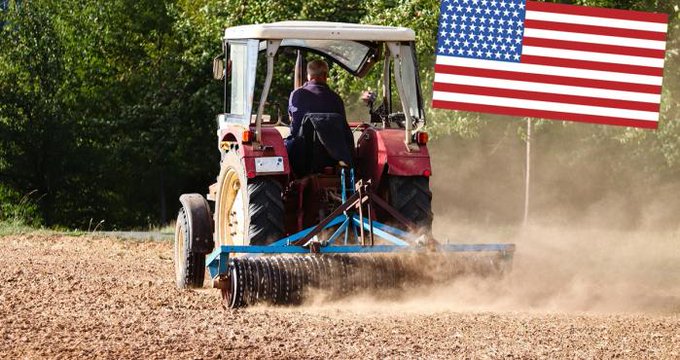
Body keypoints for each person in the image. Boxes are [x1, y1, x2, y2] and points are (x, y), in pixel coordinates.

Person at [286, 59, 346, 150]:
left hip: (300, 152)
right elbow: (342, 129)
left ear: (308, 76)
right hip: (329, 155)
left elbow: (292, 119)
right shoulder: (336, 99)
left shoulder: (295, 95)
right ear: (325, 76)